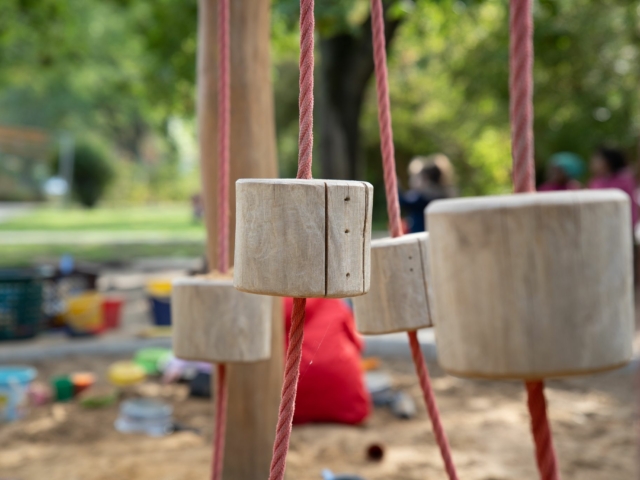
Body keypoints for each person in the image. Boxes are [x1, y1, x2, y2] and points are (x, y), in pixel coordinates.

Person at [283, 297, 371, 425]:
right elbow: (358, 344)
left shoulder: (278, 308)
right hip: (348, 405)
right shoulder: (333, 301)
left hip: (292, 399)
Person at [399, 154, 455, 233]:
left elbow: (404, 202)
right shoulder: (444, 194)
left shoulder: (424, 197)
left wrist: (396, 187)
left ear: (426, 179)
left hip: (421, 233)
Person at [589, 147, 638, 227]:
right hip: (600, 223)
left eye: (598, 159)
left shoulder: (624, 179)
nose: (593, 162)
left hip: (622, 223)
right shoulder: (596, 181)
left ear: (608, 161)